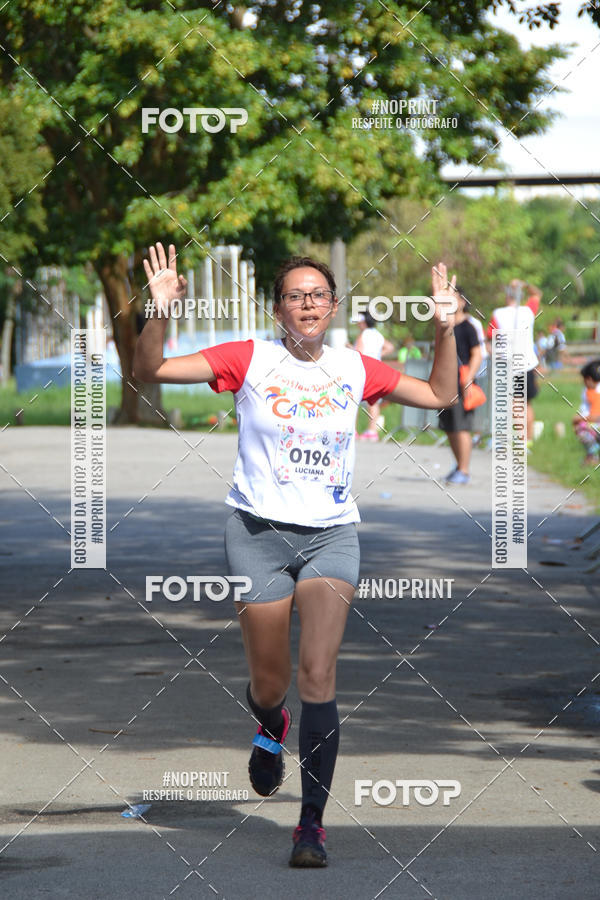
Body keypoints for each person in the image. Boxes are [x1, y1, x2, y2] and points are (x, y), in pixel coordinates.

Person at [133, 243, 458, 868]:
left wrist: (444, 328)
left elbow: (442, 393)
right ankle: (268, 724)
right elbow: (153, 370)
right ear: (278, 308)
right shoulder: (248, 359)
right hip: (257, 533)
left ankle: (311, 826)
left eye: (317, 294)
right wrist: (158, 310)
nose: (306, 303)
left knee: (318, 675)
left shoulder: (356, 367)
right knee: (270, 681)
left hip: (332, 535)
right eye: (294, 295)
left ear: (332, 306)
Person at [439, 286, 482, 484]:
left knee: (461, 426)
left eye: (454, 298)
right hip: (444, 382)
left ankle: (464, 470)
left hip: (461, 381)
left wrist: (468, 378)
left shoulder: (468, 327)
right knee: (449, 427)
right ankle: (458, 465)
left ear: (463, 302)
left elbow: (477, 354)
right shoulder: (444, 325)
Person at [487, 279, 539, 440]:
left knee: (514, 404)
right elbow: (537, 294)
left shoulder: (498, 314)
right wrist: (525, 283)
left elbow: (489, 338)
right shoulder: (528, 311)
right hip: (528, 362)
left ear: (507, 296)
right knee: (526, 403)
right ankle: (528, 439)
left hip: (508, 363)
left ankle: (520, 439)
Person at [353, 311, 394, 441]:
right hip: (376, 369)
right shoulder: (377, 335)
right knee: (373, 402)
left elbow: (358, 353)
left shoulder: (363, 335)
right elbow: (390, 347)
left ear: (363, 322)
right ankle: (372, 431)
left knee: (355, 400)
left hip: (364, 369)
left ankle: (352, 430)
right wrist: (378, 354)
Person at [573, 359, 600, 465]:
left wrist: (577, 419)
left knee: (582, 428)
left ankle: (592, 456)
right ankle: (592, 455)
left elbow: (596, 415)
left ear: (588, 379)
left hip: (596, 424)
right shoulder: (589, 391)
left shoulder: (595, 392)